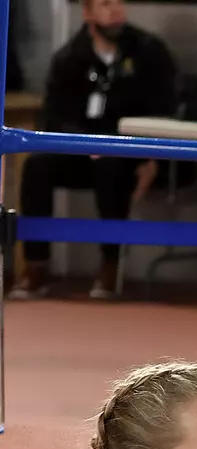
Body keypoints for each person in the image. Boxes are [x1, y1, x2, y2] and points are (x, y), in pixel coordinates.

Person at [11, 0, 175, 301]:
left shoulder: (149, 52)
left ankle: (110, 265)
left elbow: (164, 109)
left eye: (119, 3)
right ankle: (36, 265)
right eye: (105, 4)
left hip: (126, 152)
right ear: (87, 13)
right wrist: (83, 143)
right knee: (36, 166)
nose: (116, 11)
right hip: (79, 149)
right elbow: (53, 117)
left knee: (110, 166)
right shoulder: (69, 58)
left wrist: (151, 158)